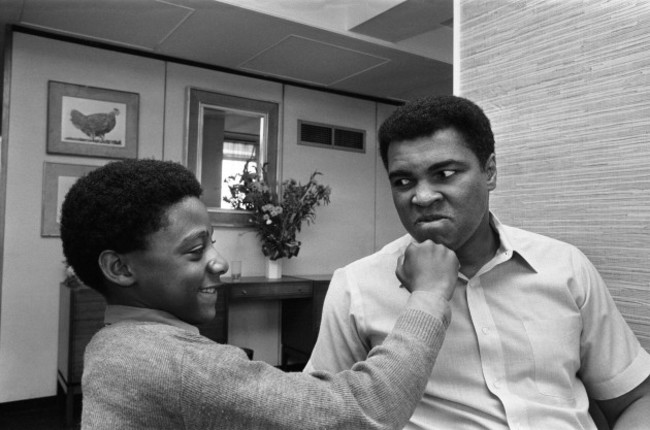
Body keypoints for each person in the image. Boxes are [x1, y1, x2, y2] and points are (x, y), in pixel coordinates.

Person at [305, 95, 650, 429]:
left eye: (445, 173)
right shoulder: (357, 287)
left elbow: (636, 398)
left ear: (490, 172)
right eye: (403, 181)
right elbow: (318, 414)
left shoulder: (564, 267)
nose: (422, 196)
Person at [59, 158, 460, 430]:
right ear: (120, 268)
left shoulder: (111, 344)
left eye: (212, 243)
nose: (218, 263)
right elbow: (363, 412)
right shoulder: (172, 364)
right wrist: (428, 295)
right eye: (196, 251)